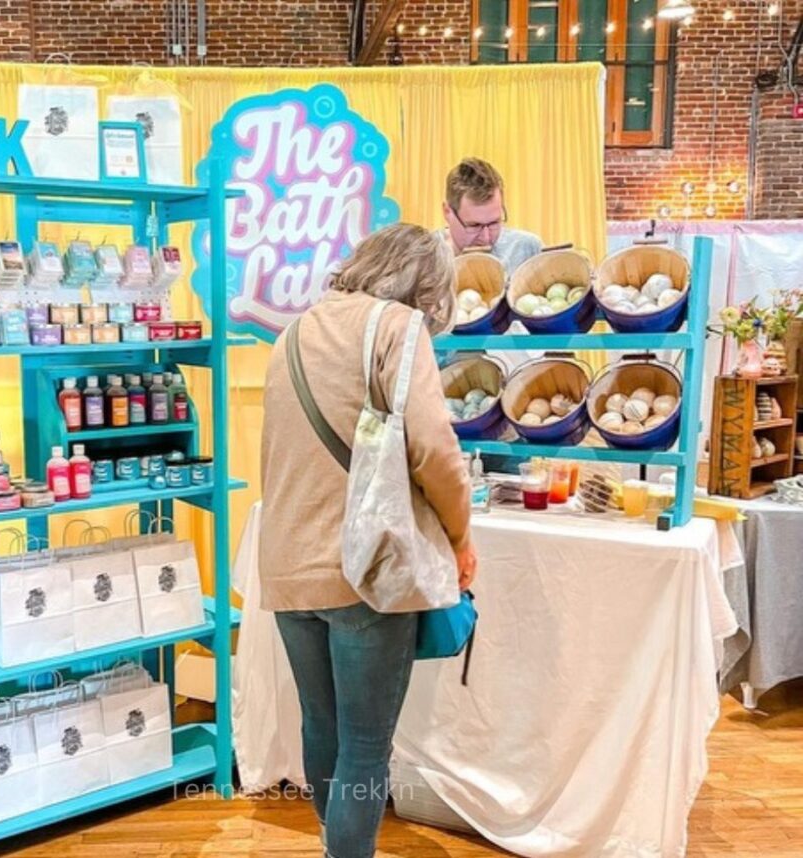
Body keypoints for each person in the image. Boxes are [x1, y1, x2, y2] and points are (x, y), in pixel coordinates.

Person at [260, 224, 477, 858]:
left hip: (287, 562)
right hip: (363, 569)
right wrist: (461, 538)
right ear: (426, 286)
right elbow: (435, 451)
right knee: (365, 746)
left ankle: (336, 845)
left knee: (322, 726)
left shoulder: (293, 333)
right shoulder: (396, 328)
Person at [442, 157, 542, 276]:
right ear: (447, 212)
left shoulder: (528, 250)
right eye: (474, 225)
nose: (486, 238)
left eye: (494, 223)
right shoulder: (423, 260)